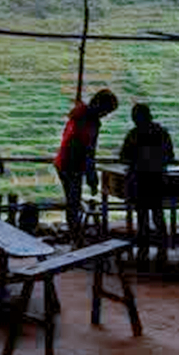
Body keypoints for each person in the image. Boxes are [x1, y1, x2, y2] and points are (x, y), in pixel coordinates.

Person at [54, 88, 118, 246]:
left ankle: (75, 235)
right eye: (106, 111)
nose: (106, 115)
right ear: (100, 106)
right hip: (72, 165)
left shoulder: (78, 114)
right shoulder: (90, 121)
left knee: (72, 202)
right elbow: (88, 151)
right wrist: (92, 178)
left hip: (63, 162)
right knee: (73, 203)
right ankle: (76, 238)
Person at [119, 103, 175, 269]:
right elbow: (170, 157)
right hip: (157, 179)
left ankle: (142, 252)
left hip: (139, 180)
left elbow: (124, 157)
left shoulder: (134, 134)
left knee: (142, 217)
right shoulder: (162, 133)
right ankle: (162, 250)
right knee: (158, 215)